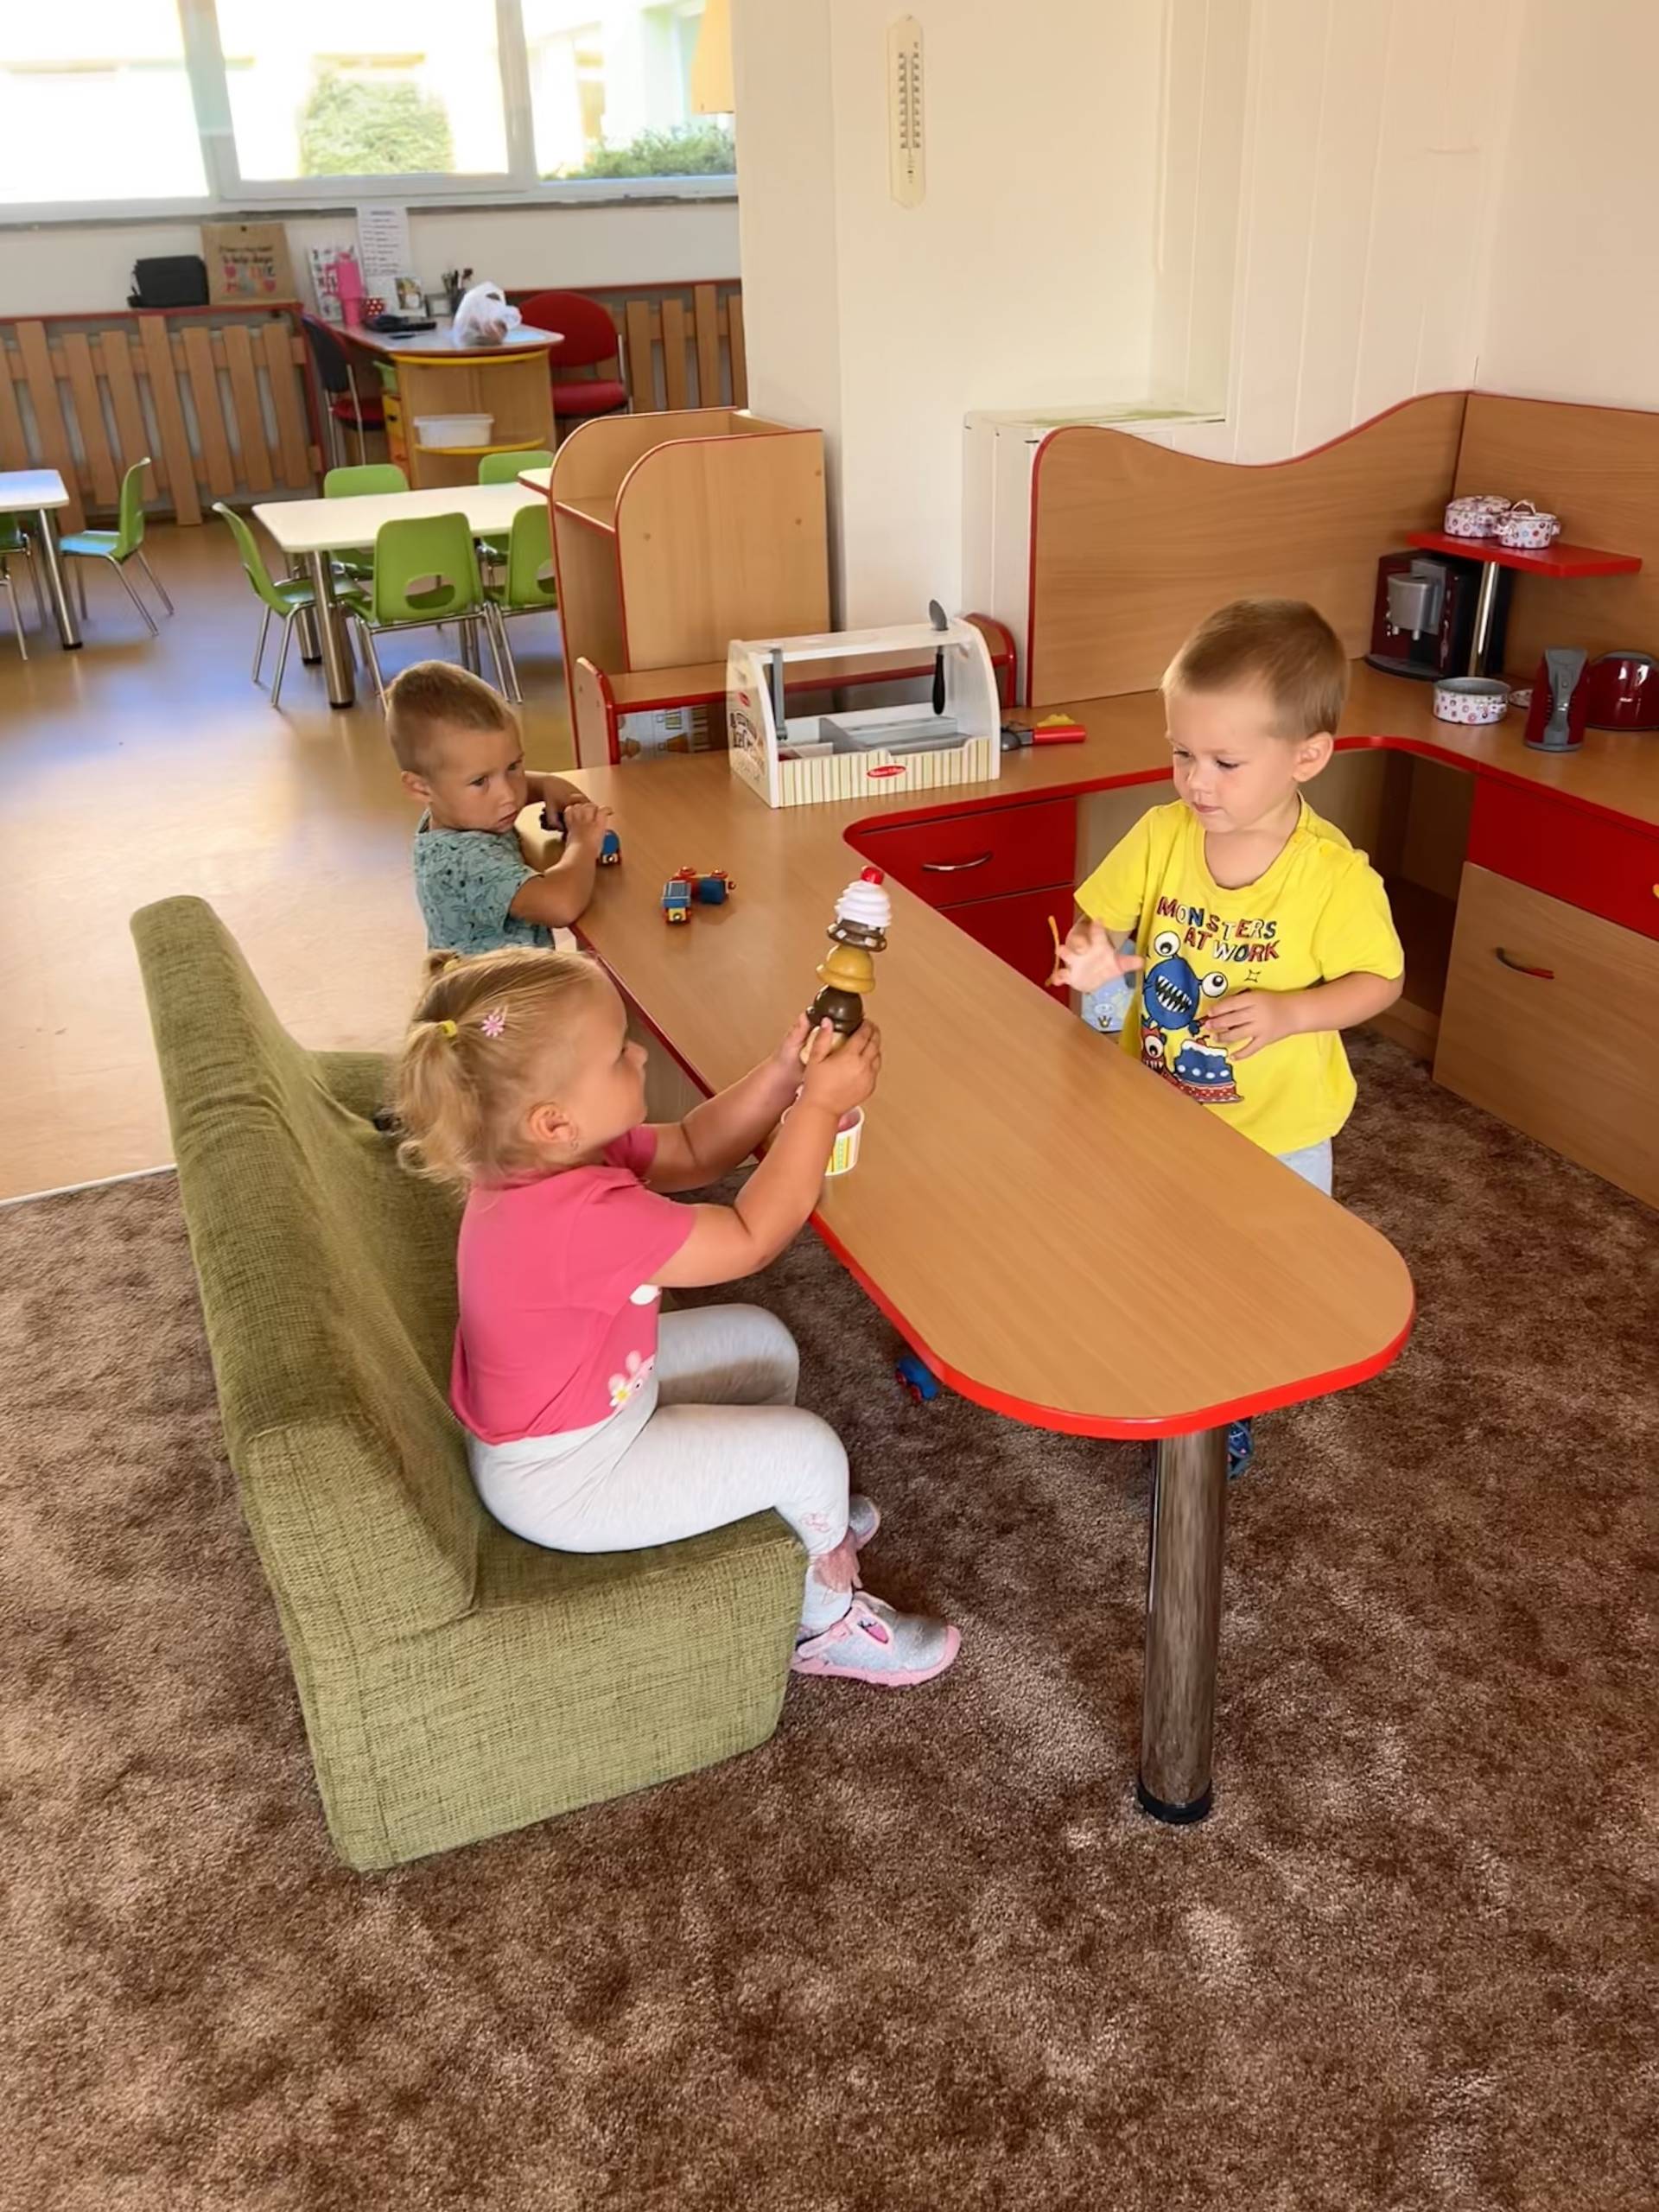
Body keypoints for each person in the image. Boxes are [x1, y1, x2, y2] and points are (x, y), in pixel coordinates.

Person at [393, 944, 962, 1687]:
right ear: (554, 1121)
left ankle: (777, 1504)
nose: (638, 1055)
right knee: (811, 1451)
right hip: (569, 1481)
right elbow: (751, 1237)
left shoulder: (551, 1155)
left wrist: (785, 1074)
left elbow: (695, 1148)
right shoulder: (576, 1221)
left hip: (594, 1406)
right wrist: (819, 1110)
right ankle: (825, 1622)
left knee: (763, 1345)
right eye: (617, 1055)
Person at [1051, 596, 1404, 1476]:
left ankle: (1230, 1405)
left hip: (1278, 1133)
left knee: (1257, 1280)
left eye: (1225, 762)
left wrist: (1290, 1013)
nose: (1195, 782)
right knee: (1159, 1255)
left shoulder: (1333, 879)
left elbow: (1381, 980)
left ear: (1307, 756)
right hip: (1160, 1109)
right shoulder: (1162, 834)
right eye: (1182, 753)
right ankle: (1161, 1366)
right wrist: (1093, 955)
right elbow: (1102, 923)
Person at [387, 660, 613, 955]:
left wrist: (548, 784)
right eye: (480, 781)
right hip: (503, 986)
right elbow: (561, 905)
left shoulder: (451, 806)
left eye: (513, 766)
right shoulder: (465, 863)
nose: (508, 795)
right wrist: (582, 842)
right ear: (420, 788)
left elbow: (515, 784)